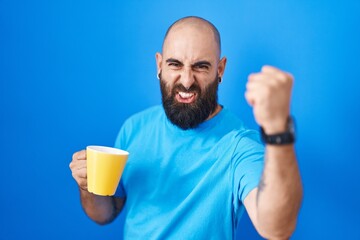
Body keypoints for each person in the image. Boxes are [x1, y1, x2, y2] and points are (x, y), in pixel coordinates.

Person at [69, 16, 302, 239]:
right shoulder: (134, 128)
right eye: (175, 64)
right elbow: (105, 213)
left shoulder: (239, 145)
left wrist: (278, 131)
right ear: (159, 65)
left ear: (220, 70)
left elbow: (276, 229)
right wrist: (87, 186)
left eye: (200, 67)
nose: (187, 80)